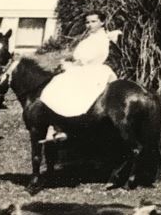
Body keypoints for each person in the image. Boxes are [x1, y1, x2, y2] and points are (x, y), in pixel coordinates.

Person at [40, 11, 120, 143]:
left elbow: (89, 57)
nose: (89, 25)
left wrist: (70, 65)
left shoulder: (101, 38)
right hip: (88, 68)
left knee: (57, 83)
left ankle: (61, 127)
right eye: (87, 22)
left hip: (91, 69)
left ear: (102, 22)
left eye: (93, 21)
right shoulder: (91, 38)